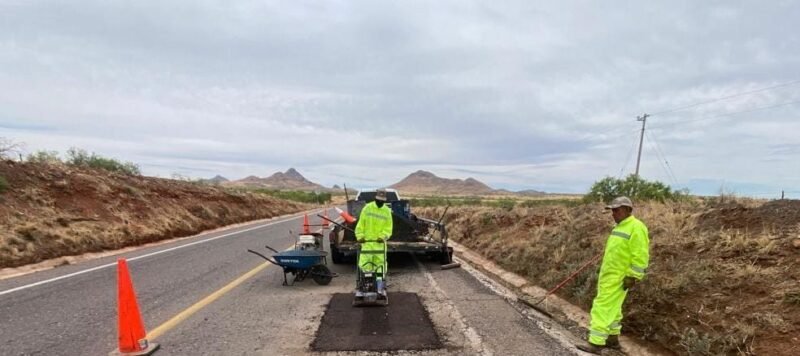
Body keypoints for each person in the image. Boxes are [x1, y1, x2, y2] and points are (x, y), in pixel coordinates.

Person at [578, 196, 650, 354]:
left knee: (602, 307)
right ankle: (612, 340)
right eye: (612, 210)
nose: (613, 214)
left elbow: (641, 255)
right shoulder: (620, 227)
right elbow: (620, 250)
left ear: (627, 210)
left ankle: (596, 343)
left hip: (618, 277)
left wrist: (633, 276)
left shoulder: (636, 227)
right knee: (614, 309)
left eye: (616, 210)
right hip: (609, 275)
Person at [355, 188, 393, 294]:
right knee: (364, 264)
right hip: (367, 243)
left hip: (379, 245)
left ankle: (380, 286)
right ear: (375, 198)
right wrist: (360, 236)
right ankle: (366, 284)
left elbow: (388, 227)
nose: (380, 202)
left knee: (380, 265)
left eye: (382, 200)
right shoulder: (367, 208)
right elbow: (360, 224)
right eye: (378, 200)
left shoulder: (386, 211)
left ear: (384, 200)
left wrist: (382, 237)